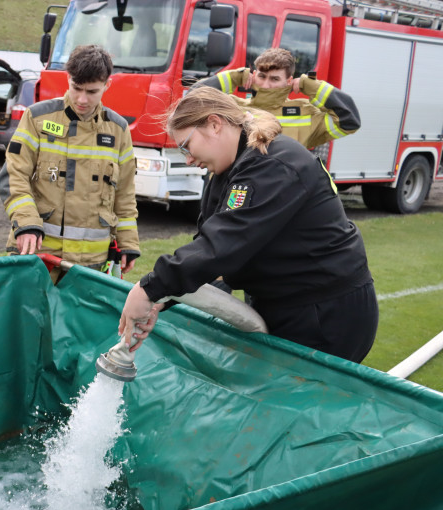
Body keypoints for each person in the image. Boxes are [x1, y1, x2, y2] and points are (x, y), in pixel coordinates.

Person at [119, 86, 377, 363]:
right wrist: (163, 297)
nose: (189, 160)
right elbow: (209, 249)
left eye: (186, 146)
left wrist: (148, 289)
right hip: (285, 302)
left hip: (324, 313)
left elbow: (222, 246)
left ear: (214, 124)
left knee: (296, 400)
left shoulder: (273, 163)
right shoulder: (232, 167)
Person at [0, 45, 140, 273]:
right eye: (76, 88)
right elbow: (14, 176)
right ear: (68, 79)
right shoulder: (37, 118)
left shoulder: (119, 130)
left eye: (92, 91)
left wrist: (128, 242)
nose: (82, 99)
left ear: (107, 85)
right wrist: (26, 224)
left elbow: (125, 194)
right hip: (38, 256)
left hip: (91, 263)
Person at [192, 47, 360, 150]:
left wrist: (312, 86)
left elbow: (349, 120)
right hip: (233, 191)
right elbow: (191, 101)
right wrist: (232, 77)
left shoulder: (305, 113)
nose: (265, 85)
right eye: (262, 76)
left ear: (289, 81)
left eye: (274, 79)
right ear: (253, 75)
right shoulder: (232, 106)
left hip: (281, 195)